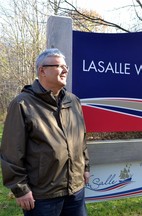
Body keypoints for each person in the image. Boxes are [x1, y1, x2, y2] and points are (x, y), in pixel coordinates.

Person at [0, 48, 90, 216]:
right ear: (42, 70)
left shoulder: (73, 101)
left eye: (66, 66)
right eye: (59, 66)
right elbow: (11, 152)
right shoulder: (22, 104)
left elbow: (81, 139)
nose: (65, 70)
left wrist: (85, 166)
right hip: (43, 196)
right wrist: (20, 189)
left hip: (75, 191)